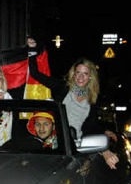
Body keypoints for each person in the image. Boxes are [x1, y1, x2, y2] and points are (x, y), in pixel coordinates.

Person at [27, 40, 119, 169]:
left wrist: (104, 141)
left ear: (90, 77)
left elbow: (91, 126)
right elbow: (35, 73)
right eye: (78, 73)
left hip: (78, 145)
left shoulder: (93, 98)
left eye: (85, 74)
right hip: (56, 143)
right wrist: (32, 50)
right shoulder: (62, 88)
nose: (81, 77)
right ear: (73, 74)